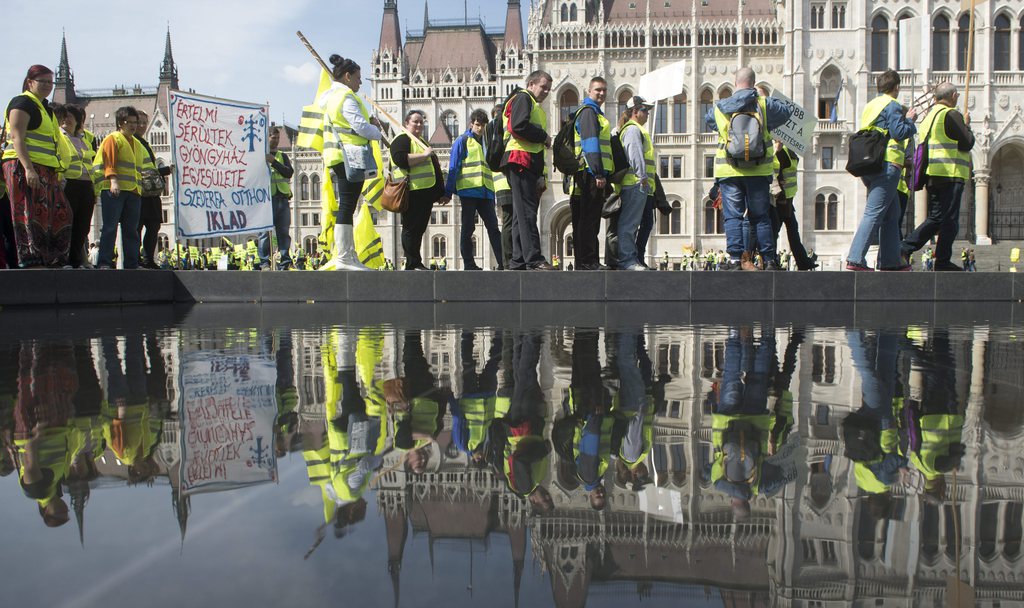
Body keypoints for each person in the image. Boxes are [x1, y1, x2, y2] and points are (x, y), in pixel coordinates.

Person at [705, 68, 792, 271]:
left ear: (735, 83)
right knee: (760, 216)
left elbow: (710, 122)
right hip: (759, 170)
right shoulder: (763, 104)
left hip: (729, 172)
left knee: (733, 217)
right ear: (753, 83)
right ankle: (769, 260)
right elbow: (786, 112)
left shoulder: (719, 108)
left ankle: (735, 259)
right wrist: (762, 101)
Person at [846, 69, 918, 271]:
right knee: (874, 213)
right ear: (896, 87)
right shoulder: (892, 105)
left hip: (869, 165)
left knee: (891, 214)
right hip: (887, 165)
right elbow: (898, 132)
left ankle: (890, 261)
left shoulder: (870, 105)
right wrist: (910, 120)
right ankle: (855, 258)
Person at [2, 65, 73, 268]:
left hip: (47, 169)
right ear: (30, 82)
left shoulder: (46, 109)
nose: (48, 86)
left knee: (57, 214)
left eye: (51, 82)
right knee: (27, 213)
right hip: (23, 165)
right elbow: (17, 137)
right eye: (43, 82)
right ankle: (31, 260)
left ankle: (51, 258)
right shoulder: (22, 103)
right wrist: (28, 168)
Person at [900, 82, 974, 271]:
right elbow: (967, 143)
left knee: (936, 218)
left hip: (933, 175)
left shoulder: (929, 117)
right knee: (950, 220)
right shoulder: (951, 114)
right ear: (954, 96)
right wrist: (967, 125)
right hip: (950, 174)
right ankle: (942, 261)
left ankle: (906, 247)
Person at [320, 54, 383, 271]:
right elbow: (359, 127)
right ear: (347, 76)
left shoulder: (329, 97)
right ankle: (345, 257)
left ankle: (348, 255)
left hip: (337, 155)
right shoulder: (346, 97)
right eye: (358, 78)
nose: (360, 82)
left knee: (348, 204)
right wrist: (377, 131)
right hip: (350, 154)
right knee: (347, 205)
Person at [502, 71, 555, 270]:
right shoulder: (524, 98)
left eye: (549, 88)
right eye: (543, 86)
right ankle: (533, 258)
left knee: (520, 214)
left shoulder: (533, 104)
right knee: (527, 213)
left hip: (527, 162)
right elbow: (518, 126)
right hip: (520, 160)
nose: (547, 91)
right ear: (531, 83)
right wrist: (544, 136)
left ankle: (518, 260)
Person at [447, 109, 502, 270]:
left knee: (493, 228)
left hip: (486, 193)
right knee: (468, 227)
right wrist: (448, 192)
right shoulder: (462, 141)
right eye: (477, 125)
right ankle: (469, 264)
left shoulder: (485, 143)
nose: (480, 128)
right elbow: (453, 166)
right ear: (471, 124)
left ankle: (502, 262)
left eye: (483, 125)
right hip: (469, 191)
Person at [392, 110, 447, 270]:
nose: (419, 124)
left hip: (424, 192)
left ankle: (415, 262)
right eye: (415, 121)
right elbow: (400, 159)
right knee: (411, 228)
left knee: (419, 229)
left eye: (421, 122)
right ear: (406, 124)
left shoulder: (421, 141)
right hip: (411, 191)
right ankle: (412, 262)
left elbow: (434, 168)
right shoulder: (402, 139)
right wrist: (424, 155)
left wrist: (439, 193)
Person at [570, 77, 614, 270]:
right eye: (598, 90)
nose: (602, 93)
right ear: (589, 91)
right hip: (590, 173)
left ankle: (584, 262)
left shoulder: (592, 112)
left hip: (587, 172)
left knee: (584, 219)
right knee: (590, 219)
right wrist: (598, 173)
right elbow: (590, 144)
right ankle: (589, 261)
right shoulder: (589, 113)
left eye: (604, 90)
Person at [93, 106, 143, 269]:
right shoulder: (113, 138)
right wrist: (113, 181)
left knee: (131, 230)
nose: (134, 125)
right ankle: (104, 262)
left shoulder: (136, 143)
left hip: (133, 191)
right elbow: (109, 162)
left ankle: (132, 264)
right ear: (121, 123)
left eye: (136, 122)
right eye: (130, 122)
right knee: (110, 227)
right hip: (114, 190)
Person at [616, 97, 657, 271]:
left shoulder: (637, 129)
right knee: (629, 224)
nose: (648, 114)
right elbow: (635, 155)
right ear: (635, 111)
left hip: (641, 185)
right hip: (636, 183)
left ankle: (636, 258)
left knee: (645, 222)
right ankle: (627, 260)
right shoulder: (632, 130)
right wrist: (642, 178)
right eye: (645, 110)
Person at [56, 104, 96, 268]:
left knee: (83, 226)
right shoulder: (59, 136)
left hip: (86, 185)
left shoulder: (84, 140)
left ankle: (75, 260)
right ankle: (63, 260)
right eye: (64, 117)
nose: (66, 120)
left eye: (70, 117)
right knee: (66, 224)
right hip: (68, 184)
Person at [133, 110, 172, 270]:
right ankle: (136, 259)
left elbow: (150, 167)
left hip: (153, 192)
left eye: (144, 122)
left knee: (154, 225)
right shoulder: (131, 141)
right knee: (137, 226)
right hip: (139, 191)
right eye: (138, 122)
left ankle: (148, 259)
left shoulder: (145, 143)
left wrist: (164, 171)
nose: (141, 126)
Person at [772, 141, 817, 270]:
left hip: (788, 198)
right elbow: (778, 170)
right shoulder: (782, 150)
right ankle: (773, 260)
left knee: (791, 231)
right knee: (778, 231)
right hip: (781, 198)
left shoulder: (789, 150)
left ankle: (802, 261)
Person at [259, 126, 295, 270]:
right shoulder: (259, 155)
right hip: (267, 200)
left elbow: (289, 173)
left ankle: (285, 262)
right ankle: (264, 262)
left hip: (283, 199)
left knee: (283, 233)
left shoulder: (282, 155)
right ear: (267, 138)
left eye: (278, 138)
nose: (276, 141)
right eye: (274, 138)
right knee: (264, 234)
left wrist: (274, 161)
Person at [490, 105, 514, 270]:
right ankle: (508, 260)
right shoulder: (499, 130)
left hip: (501, 182)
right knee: (509, 220)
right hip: (506, 181)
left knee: (510, 220)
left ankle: (509, 259)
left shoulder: (492, 131)